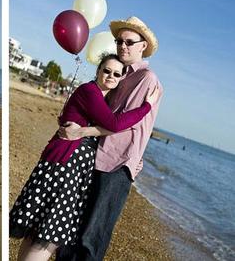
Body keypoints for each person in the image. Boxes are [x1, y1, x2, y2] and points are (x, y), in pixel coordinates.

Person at [9, 53, 160, 261]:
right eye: (106, 71)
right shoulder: (90, 91)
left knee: (38, 230)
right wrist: (147, 107)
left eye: (117, 74)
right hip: (65, 166)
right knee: (49, 235)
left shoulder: (99, 96)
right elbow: (114, 124)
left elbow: (103, 124)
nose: (110, 76)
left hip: (64, 164)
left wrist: (136, 154)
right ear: (98, 70)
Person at [55, 16, 163, 261]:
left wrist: (81, 132)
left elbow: (120, 125)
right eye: (119, 41)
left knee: (91, 239)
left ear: (142, 45)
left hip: (116, 165)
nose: (122, 46)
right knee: (73, 231)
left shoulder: (146, 79)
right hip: (96, 157)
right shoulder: (121, 74)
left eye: (128, 42)